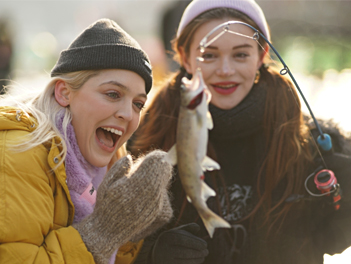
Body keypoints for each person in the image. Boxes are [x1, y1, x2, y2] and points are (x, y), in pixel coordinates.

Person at [128, 0, 351, 263]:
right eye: (209, 55)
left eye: (241, 54)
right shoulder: (142, 140)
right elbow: (113, 246)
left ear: (262, 55)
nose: (225, 70)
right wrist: (150, 256)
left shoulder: (311, 142)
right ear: (185, 57)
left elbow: (334, 240)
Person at [0, 18, 174, 264]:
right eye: (113, 94)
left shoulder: (107, 162)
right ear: (64, 92)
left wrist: (134, 233)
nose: (128, 114)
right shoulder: (18, 152)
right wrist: (102, 232)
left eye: (138, 104)